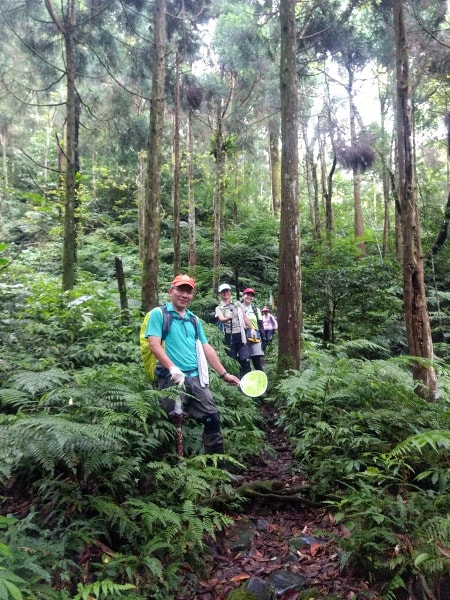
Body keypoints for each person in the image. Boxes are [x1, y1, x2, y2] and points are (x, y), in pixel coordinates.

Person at [145, 274, 240, 458]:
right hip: (171, 378)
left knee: (212, 418)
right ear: (171, 291)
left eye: (188, 291)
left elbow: (206, 348)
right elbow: (154, 345)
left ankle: (216, 468)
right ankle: (176, 471)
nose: (184, 295)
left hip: (196, 378)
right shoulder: (159, 314)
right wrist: (172, 368)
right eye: (181, 290)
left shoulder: (194, 319)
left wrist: (224, 374)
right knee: (174, 422)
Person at [215, 283, 254, 378]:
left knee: (244, 359)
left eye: (227, 291)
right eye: (223, 291)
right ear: (220, 294)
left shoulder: (237, 304)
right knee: (233, 360)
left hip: (241, 335)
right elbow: (221, 319)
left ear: (230, 292)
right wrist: (227, 318)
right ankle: (236, 382)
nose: (225, 293)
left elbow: (244, 317)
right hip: (229, 336)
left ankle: (248, 381)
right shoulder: (219, 308)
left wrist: (252, 328)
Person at [242, 288, 265, 372]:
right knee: (245, 361)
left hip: (255, 337)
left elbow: (260, 324)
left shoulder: (256, 310)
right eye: (247, 295)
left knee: (257, 361)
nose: (249, 297)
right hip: (243, 337)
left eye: (251, 296)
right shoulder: (238, 308)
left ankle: (261, 381)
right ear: (243, 296)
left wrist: (264, 339)